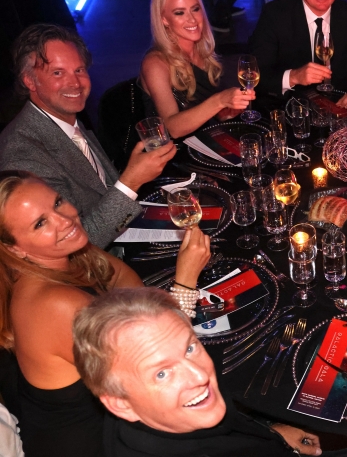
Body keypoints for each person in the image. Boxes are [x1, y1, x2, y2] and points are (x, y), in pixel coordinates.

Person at [72, 287, 347, 457]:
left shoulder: (168, 416)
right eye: (161, 374)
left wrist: (271, 435)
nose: (197, 375)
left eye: (190, 347)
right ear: (119, 405)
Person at [0, 171, 211, 457]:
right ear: (14, 248)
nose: (66, 220)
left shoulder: (69, 254)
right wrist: (185, 281)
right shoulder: (54, 304)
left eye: (58, 203)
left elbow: (132, 288)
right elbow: (160, 375)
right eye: (40, 223)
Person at [0, 24, 176, 249]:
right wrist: (131, 181)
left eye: (79, 70)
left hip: (125, 233)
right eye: (58, 73)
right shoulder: (23, 156)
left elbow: (103, 191)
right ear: (30, 81)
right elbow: (76, 243)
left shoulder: (64, 117)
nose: (75, 83)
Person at [139, 0, 254, 138]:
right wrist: (219, 101)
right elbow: (172, 128)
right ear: (164, 19)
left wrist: (225, 112)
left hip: (204, 141)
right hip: (171, 153)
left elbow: (203, 112)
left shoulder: (203, 52)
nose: (192, 19)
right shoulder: (155, 63)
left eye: (195, 9)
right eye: (179, 13)